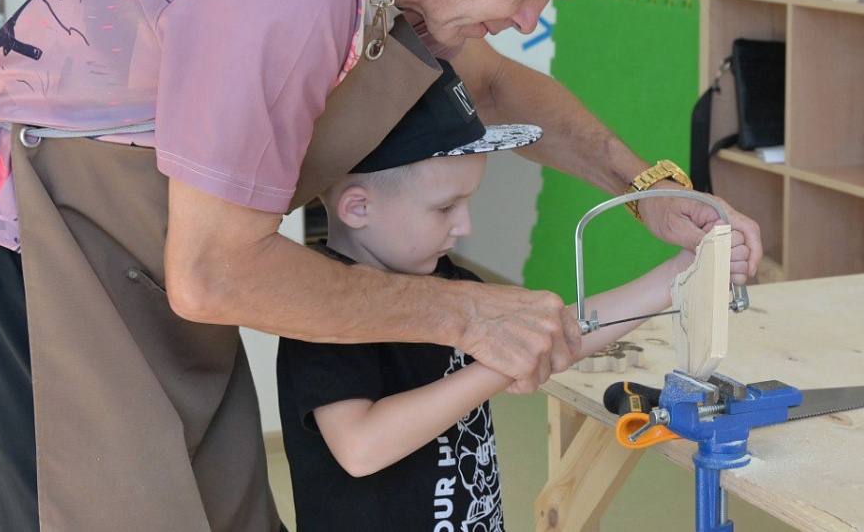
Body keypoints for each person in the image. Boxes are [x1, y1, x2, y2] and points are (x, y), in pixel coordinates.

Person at [0, 0, 761, 531]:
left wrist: (647, 191)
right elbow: (214, 273)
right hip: (36, 265)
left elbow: (495, 86)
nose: (527, 18)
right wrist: (470, 316)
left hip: (150, 267)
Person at [277, 58, 697, 531]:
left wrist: (678, 275)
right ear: (358, 207)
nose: (465, 225)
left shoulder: (450, 281)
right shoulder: (321, 312)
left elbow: (557, 331)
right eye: (445, 207)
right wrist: (504, 360)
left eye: (467, 201)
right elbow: (360, 448)